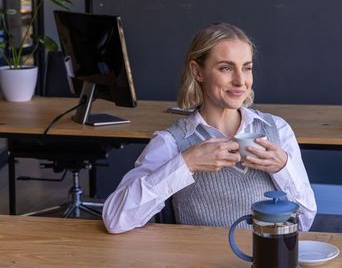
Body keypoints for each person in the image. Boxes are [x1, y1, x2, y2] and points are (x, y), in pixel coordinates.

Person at [102, 23, 317, 233]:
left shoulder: (277, 129)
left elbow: (305, 222)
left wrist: (283, 168)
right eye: (226, 68)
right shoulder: (171, 142)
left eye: (247, 68)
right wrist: (185, 163)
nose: (240, 81)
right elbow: (115, 219)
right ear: (197, 72)